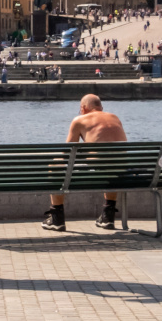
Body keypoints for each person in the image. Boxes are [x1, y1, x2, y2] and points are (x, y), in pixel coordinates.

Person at [45, 94, 128, 231]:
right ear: (100, 107)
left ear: (83, 108)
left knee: (55, 165)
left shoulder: (80, 120)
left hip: (97, 169)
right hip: (120, 170)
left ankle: (57, 218)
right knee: (112, 166)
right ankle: (108, 216)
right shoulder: (115, 118)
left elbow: (67, 154)